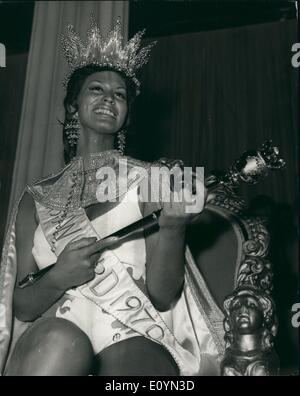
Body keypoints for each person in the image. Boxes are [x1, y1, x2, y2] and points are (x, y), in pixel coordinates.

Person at [0, 17, 225, 376]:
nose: (109, 99)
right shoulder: (35, 197)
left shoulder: (153, 178)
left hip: (134, 327)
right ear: (73, 106)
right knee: (61, 343)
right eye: (96, 90)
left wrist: (173, 230)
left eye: (119, 94)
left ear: (127, 114)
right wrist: (58, 277)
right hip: (55, 326)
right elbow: (22, 306)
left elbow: (164, 296)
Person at [221, 286, 279, 376]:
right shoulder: (228, 361)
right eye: (236, 305)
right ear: (229, 319)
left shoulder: (267, 360)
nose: (243, 310)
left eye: (252, 305)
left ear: (264, 315)